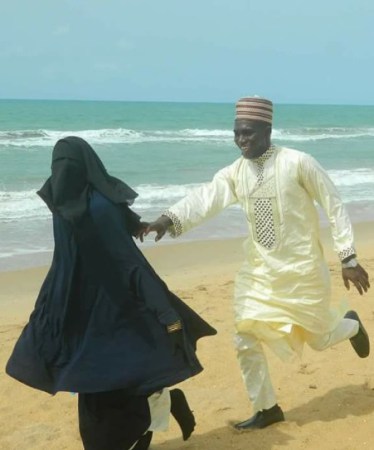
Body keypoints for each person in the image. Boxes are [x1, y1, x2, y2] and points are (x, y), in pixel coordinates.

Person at [142, 96, 371, 430]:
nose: (240, 140)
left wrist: (348, 257)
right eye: (236, 133)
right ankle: (267, 408)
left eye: (247, 133)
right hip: (260, 273)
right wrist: (168, 219)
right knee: (244, 337)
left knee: (319, 339)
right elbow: (206, 198)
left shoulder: (298, 162)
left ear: (267, 130)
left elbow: (333, 204)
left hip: (302, 272)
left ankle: (350, 325)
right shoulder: (236, 172)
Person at [6, 136, 216, 450]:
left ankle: (161, 408)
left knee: (120, 397)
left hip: (117, 309)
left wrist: (167, 315)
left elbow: (129, 264)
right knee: (92, 395)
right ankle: (164, 402)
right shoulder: (61, 200)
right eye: (57, 166)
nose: (61, 173)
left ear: (83, 168)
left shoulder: (99, 208)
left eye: (68, 166)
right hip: (79, 310)